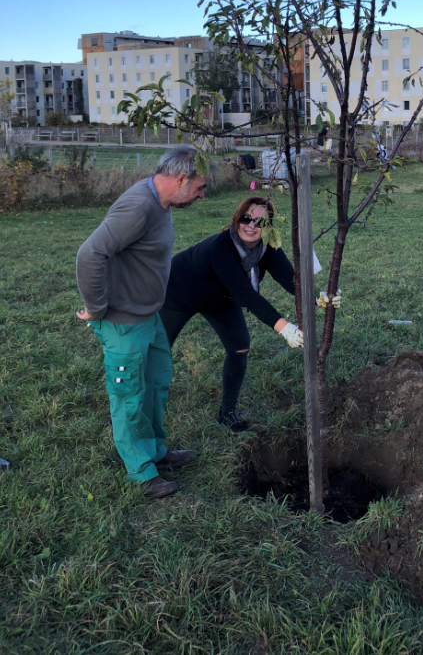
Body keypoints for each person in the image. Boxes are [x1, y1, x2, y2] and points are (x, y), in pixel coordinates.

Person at [76, 146, 210, 498]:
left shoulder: (160, 203)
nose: (202, 194)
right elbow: (90, 254)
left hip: (149, 318)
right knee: (130, 397)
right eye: (199, 188)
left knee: (154, 388)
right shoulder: (137, 207)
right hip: (123, 324)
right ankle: (140, 471)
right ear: (181, 179)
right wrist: (96, 307)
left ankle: (154, 451)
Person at [159, 196, 305, 433]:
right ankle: (130, 410)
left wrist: (319, 295)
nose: (251, 226)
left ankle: (227, 413)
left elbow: (291, 281)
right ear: (237, 219)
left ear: (268, 227)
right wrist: (285, 328)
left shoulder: (268, 248)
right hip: (178, 292)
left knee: (239, 345)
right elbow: (246, 295)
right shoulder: (221, 248)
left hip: (221, 300)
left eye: (260, 222)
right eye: (246, 218)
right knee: (157, 351)